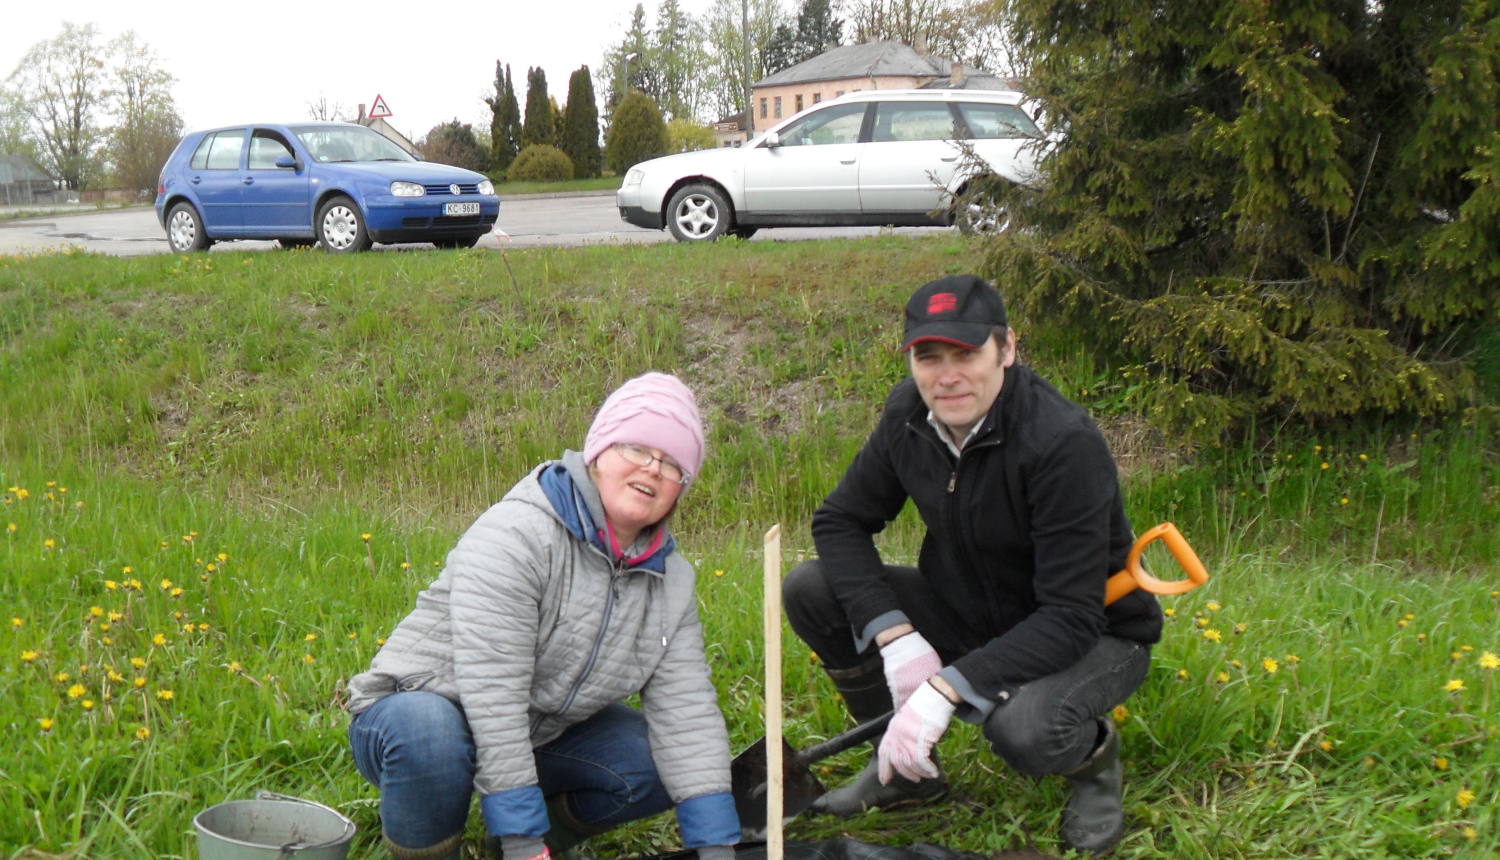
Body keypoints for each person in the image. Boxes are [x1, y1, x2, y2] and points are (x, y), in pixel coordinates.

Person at [783, 275, 1162, 855]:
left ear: (1007, 349)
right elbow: (840, 521)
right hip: (972, 610)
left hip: (1096, 632)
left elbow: (1070, 616)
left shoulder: (1062, 443)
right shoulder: (908, 416)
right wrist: (896, 635)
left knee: (1023, 729)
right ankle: (905, 767)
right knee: (812, 587)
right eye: (928, 356)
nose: (947, 375)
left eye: (966, 353)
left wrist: (945, 689)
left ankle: (1094, 765)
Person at [346, 373, 740, 860]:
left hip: (539, 730)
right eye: (637, 449)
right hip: (418, 709)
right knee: (429, 737)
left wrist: (717, 844)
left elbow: (687, 714)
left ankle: (534, 838)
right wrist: (522, 838)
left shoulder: (671, 581)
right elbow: (494, 696)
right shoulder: (517, 534)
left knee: (655, 760)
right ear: (598, 452)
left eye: (673, 463)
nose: (654, 468)